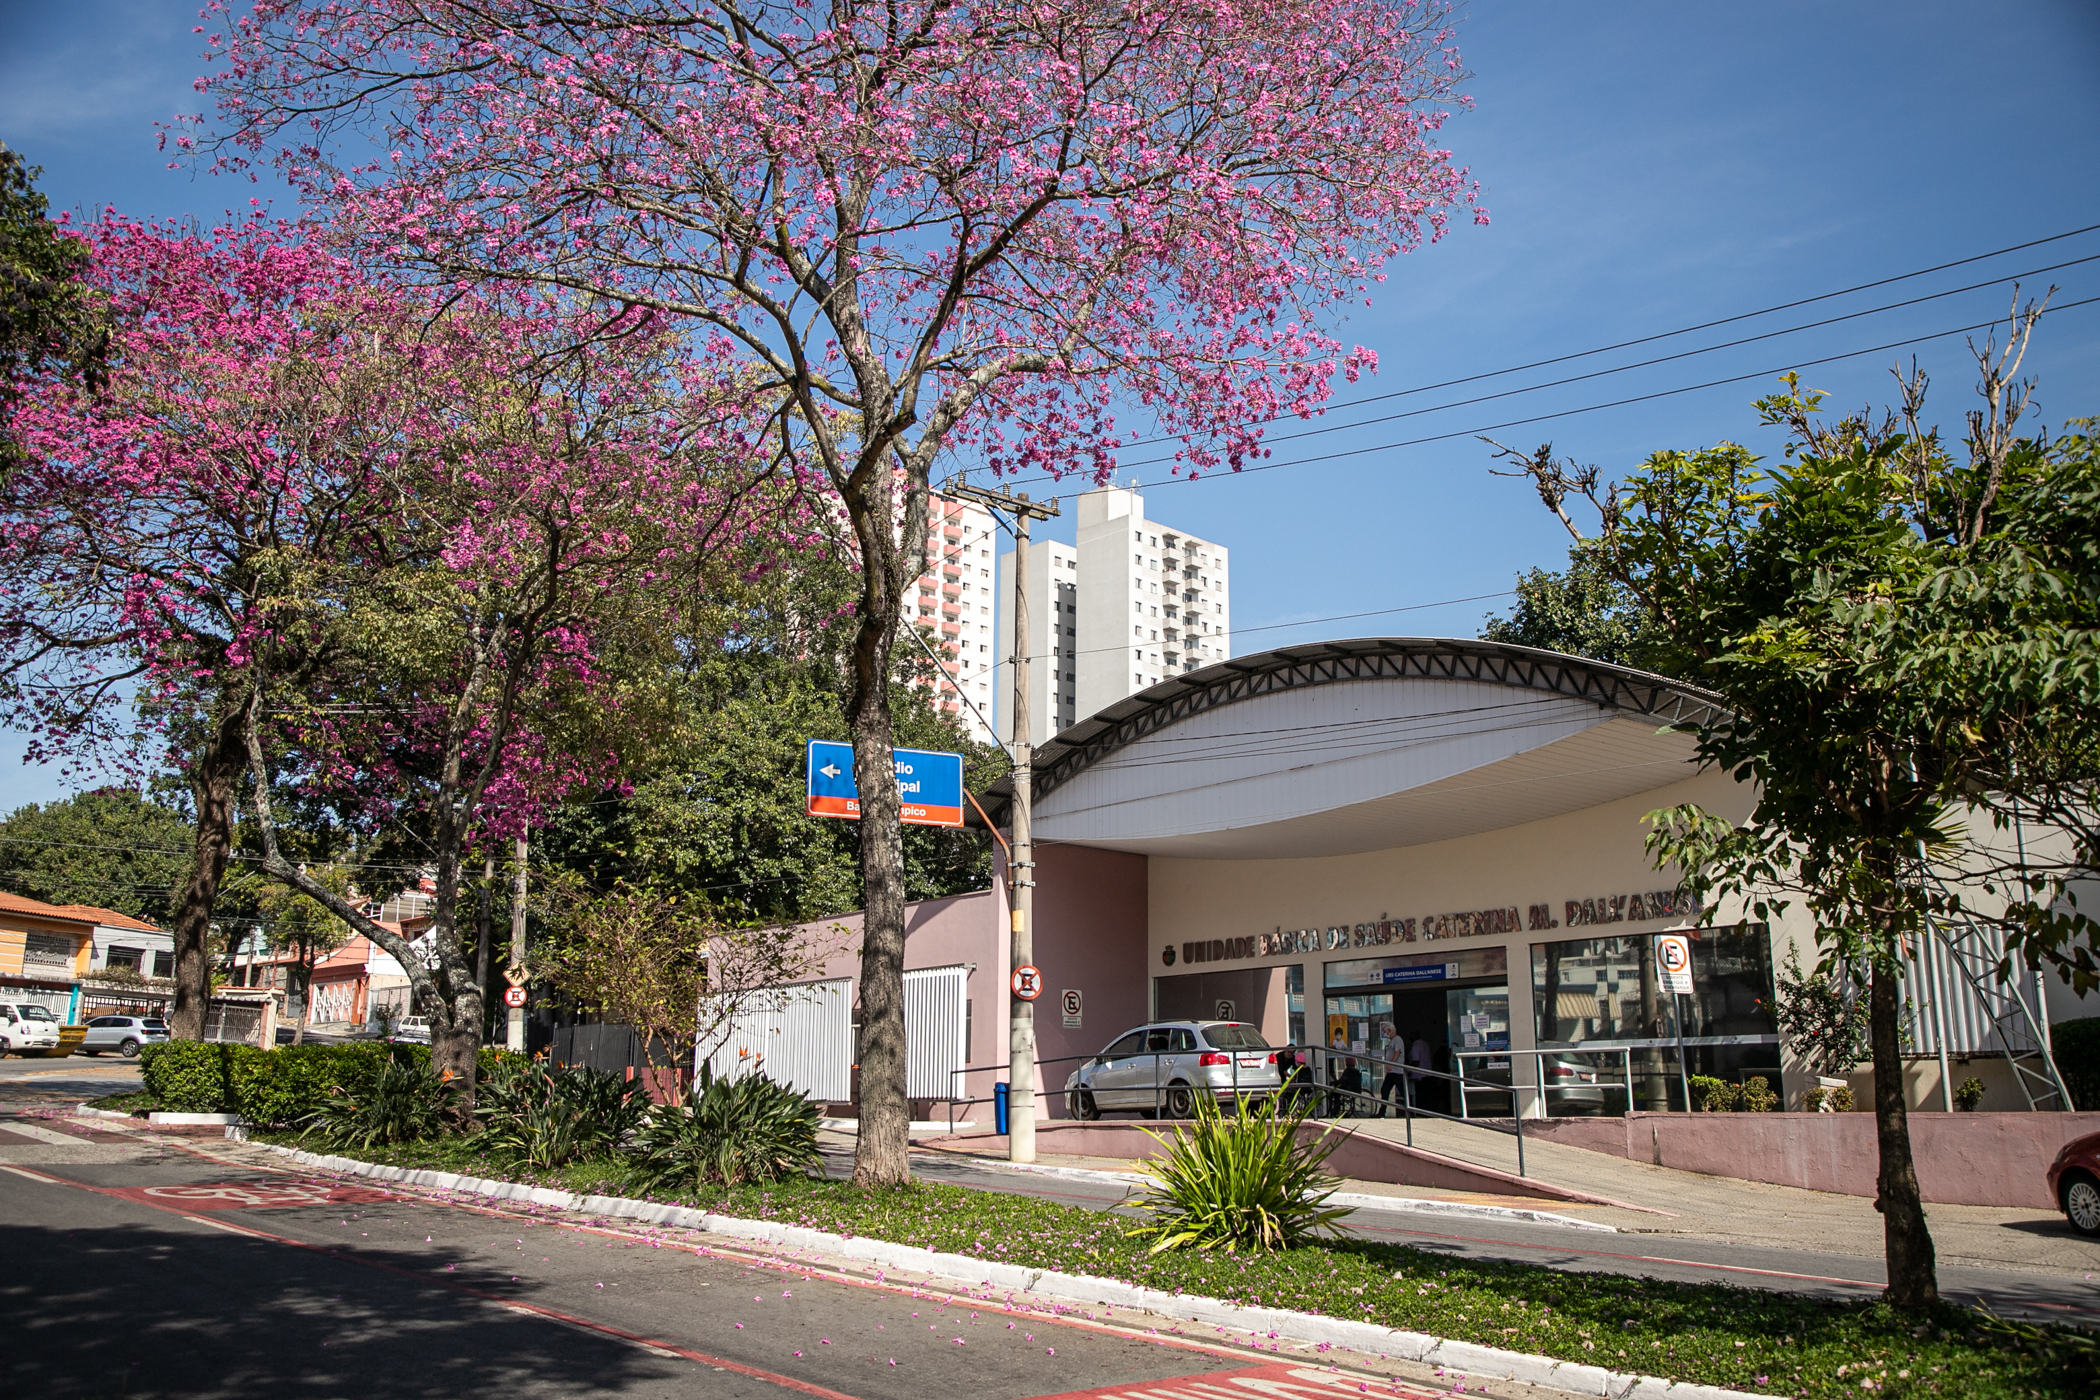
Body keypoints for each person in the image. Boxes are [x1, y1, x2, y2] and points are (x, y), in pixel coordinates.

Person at [1376, 1022, 1407, 1116]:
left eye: (1386, 1032)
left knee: (1402, 1091)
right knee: (1384, 1090)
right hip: (1392, 1072)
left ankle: (1411, 1110)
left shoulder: (1397, 1039)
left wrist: (1391, 1064)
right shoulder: (1393, 1040)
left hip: (1396, 1071)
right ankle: (1382, 1112)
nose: (1386, 1034)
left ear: (1389, 1030)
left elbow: (1397, 1052)